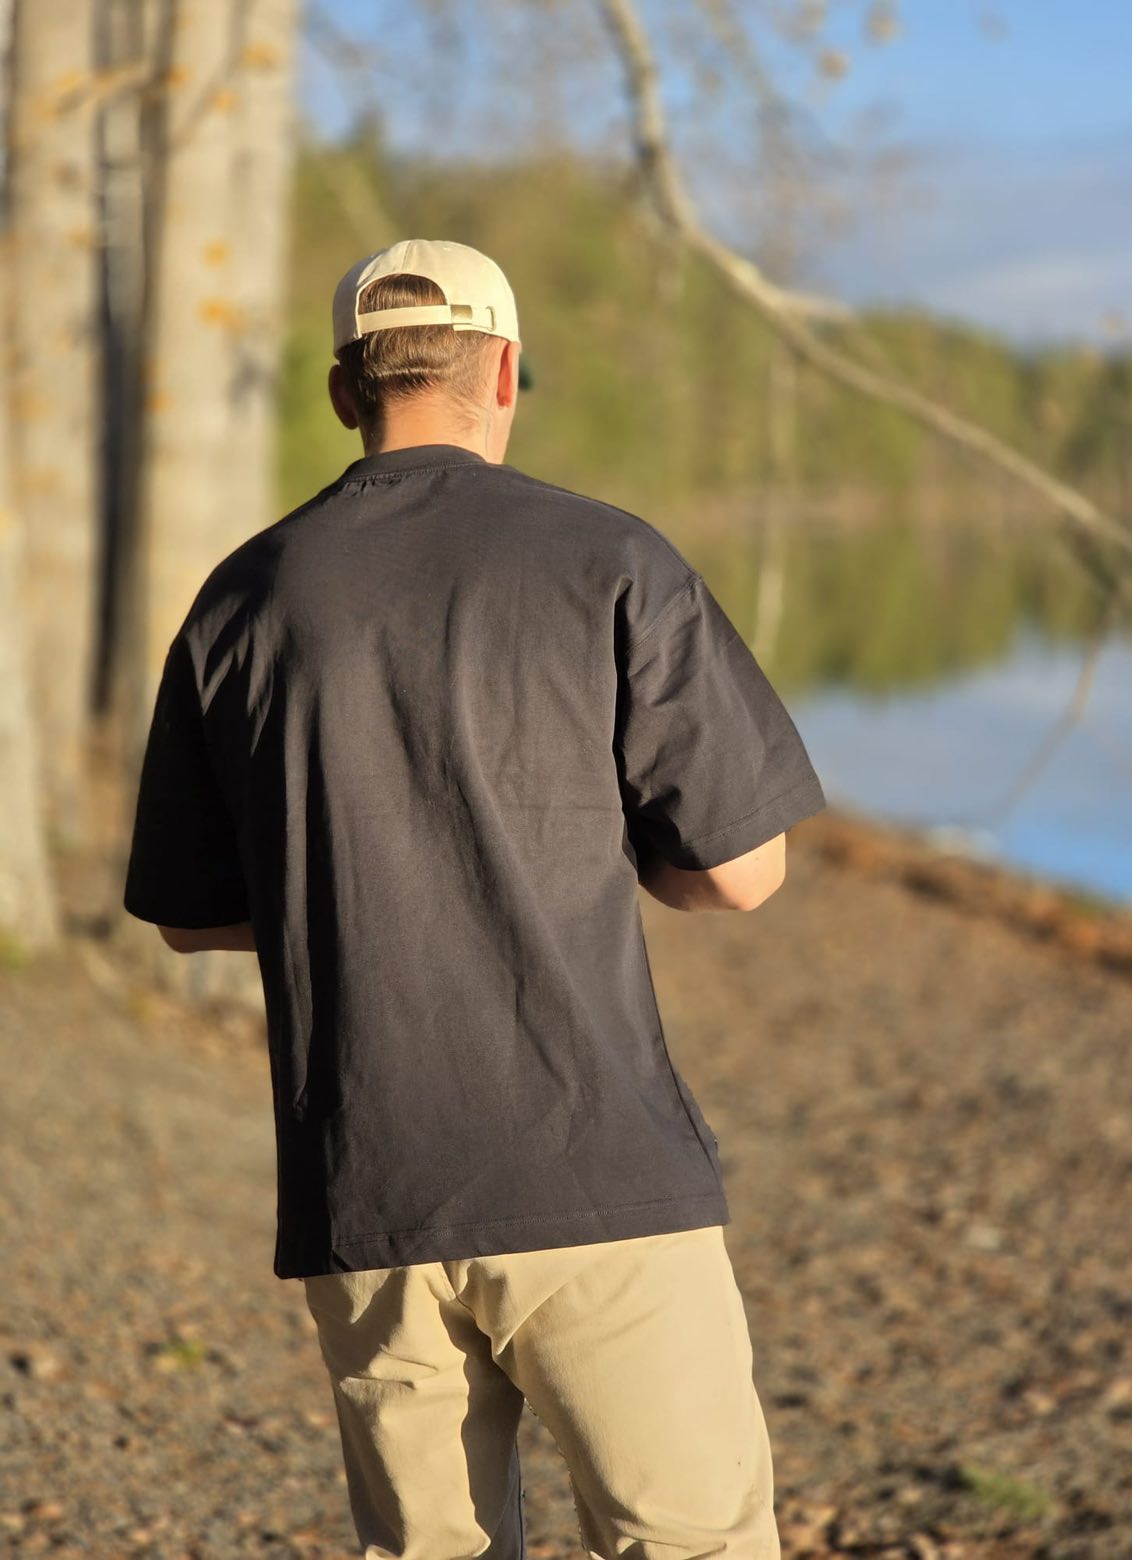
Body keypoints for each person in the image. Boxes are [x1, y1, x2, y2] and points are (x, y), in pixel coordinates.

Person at [123, 238, 827, 1560]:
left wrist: (350, 870)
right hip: (596, 1172)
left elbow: (187, 913)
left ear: (346, 392)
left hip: (367, 1191)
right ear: (503, 372)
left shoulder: (244, 596)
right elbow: (740, 872)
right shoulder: (611, 560)